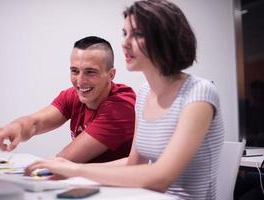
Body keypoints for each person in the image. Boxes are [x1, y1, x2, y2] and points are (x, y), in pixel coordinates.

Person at [25, 1, 224, 199]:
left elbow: (161, 177)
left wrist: (76, 170)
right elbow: (134, 165)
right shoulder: (145, 93)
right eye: (125, 33)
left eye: (137, 34)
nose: (124, 43)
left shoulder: (200, 93)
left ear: (165, 38)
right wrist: (69, 168)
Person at [0, 36, 136, 163]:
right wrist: (15, 128)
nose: (80, 81)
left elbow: (64, 160)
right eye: (74, 71)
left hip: (120, 190)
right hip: (87, 184)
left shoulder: (121, 107)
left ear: (111, 75)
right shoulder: (74, 95)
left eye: (90, 72)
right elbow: (35, 123)